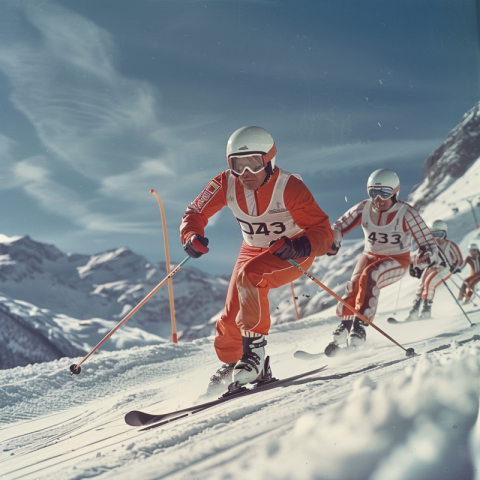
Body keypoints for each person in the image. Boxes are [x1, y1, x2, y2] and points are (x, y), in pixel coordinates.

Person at [180, 126, 333, 394]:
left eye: (254, 163)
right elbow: (195, 211)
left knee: (251, 276)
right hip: (251, 249)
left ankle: (255, 357)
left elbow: (323, 233)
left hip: (290, 251)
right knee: (229, 318)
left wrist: (298, 246)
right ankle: (233, 363)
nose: (246, 174)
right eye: (237, 165)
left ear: (270, 161)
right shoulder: (224, 182)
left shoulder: (290, 186)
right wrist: (191, 235)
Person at [326, 168, 438, 355]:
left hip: (396, 260)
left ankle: (359, 328)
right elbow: (338, 225)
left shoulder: (406, 213)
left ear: (395, 193)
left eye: (384, 193)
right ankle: (344, 326)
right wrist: (333, 240)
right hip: (369, 255)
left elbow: (427, 242)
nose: (378, 199)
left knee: (370, 276)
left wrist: (425, 256)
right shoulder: (364, 208)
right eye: (373, 193)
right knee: (353, 286)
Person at [406, 219, 463, 320]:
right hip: (432, 268)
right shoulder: (429, 247)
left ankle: (426, 310)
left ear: (445, 234)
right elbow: (423, 258)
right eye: (433, 234)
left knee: (429, 284)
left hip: (445, 268)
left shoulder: (449, 245)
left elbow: (459, 259)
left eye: (439, 234)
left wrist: (456, 267)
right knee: (421, 285)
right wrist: (416, 266)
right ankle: (414, 311)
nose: (436, 238)